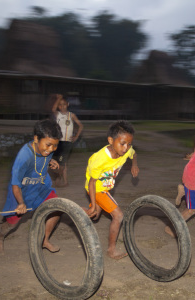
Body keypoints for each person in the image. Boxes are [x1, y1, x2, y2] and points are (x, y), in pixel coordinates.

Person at [0, 119, 62, 255]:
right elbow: (15, 185)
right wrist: (20, 203)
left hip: (40, 187)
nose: (51, 150)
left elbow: (42, 159)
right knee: (12, 224)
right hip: (21, 192)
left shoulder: (47, 149)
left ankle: (45, 239)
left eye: (54, 146)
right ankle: (0, 237)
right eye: (48, 145)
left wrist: (51, 161)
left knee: (57, 208)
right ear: (36, 139)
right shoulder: (23, 157)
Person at [84, 120, 139, 259]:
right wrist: (94, 201)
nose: (126, 148)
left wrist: (134, 165)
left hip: (106, 188)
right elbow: (92, 183)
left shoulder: (126, 151)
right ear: (110, 140)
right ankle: (111, 250)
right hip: (96, 189)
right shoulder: (100, 159)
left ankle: (73, 211)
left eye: (129, 144)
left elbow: (134, 153)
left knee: (94, 215)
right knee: (118, 216)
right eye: (122, 144)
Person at [50, 94, 84, 187]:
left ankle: (58, 178)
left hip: (67, 142)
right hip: (57, 141)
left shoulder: (71, 115)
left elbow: (80, 125)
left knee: (62, 162)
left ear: (67, 104)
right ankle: (64, 180)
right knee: (59, 162)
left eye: (64, 104)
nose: (62, 106)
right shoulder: (58, 114)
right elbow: (53, 109)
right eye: (60, 105)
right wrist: (59, 98)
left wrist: (76, 136)